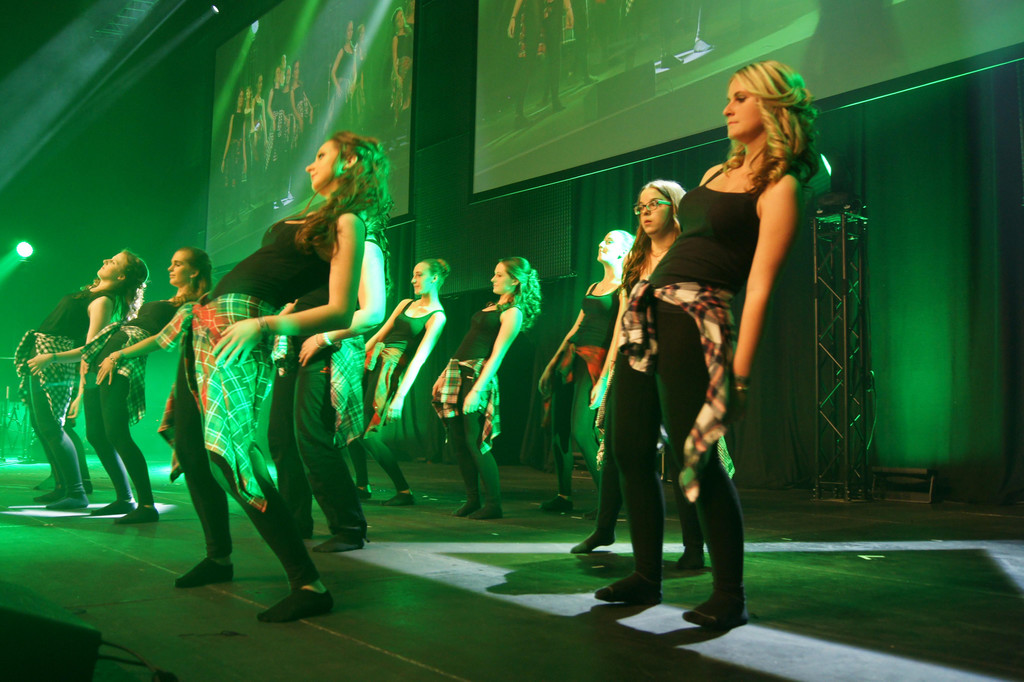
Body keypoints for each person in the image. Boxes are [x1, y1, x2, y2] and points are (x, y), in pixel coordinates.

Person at [595, 61, 818, 632]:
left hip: (698, 320)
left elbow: (760, 286)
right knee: (628, 449)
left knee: (697, 457)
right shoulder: (717, 171)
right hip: (648, 309)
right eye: (728, 97)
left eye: (740, 97)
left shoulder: (781, 186)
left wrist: (738, 377)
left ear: (772, 105)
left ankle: (729, 593)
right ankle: (646, 575)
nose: (726, 108)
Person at [145, 131, 392, 622]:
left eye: (321, 156)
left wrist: (263, 325)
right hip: (208, 322)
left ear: (349, 163)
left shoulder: (349, 222)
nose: (310, 165)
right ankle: (218, 557)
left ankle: (309, 583)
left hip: (241, 325)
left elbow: (342, 309)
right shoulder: (314, 217)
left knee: (232, 456)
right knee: (191, 448)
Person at [67, 247, 211, 524]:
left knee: (116, 432)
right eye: (171, 263)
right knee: (96, 434)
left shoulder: (192, 306)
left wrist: (119, 355)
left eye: (177, 264)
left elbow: (161, 341)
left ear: (194, 272)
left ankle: (146, 504)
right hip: (106, 354)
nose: (169, 268)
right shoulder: (170, 302)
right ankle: (124, 497)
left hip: (121, 358)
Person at [19, 251, 149, 510]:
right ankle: (64, 486)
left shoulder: (103, 301)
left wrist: (53, 360)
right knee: (46, 425)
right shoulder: (92, 293)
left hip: (55, 362)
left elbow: (91, 349)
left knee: (53, 427)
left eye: (113, 262)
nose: (105, 261)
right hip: (45, 356)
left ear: (121, 276)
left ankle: (77, 491)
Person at [432, 258, 541, 520]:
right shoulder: (493, 306)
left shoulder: (513, 312)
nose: (493, 279)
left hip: (477, 375)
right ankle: (472, 500)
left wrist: (477, 390)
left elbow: (497, 355)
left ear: (515, 280)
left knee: (476, 441)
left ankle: (494, 504)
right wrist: (445, 373)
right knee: (459, 441)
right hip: (458, 371)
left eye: (499, 275)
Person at [537, 231, 633, 512]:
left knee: (581, 430)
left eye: (609, 242)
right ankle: (563, 496)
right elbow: (576, 327)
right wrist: (552, 363)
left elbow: (619, 334)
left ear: (624, 252)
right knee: (560, 430)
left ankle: (609, 500)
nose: (602, 244)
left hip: (595, 362)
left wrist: (604, 378)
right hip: (571, 359)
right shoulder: (593, 286)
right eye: (602, 240)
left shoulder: (624, 287)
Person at [348, 258, 448, 505]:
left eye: (419, 274)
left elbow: (419, 360)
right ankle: (361, 485)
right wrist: (357, 360)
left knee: (368, 432)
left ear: (435, 278)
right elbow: (380, 334)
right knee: (350, 426)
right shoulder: (405, 303)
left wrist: (400, 397)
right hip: (372, 362)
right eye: (413, 275)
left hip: (389, 372)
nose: (413, 280)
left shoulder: (437, 317)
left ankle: (404, 491)